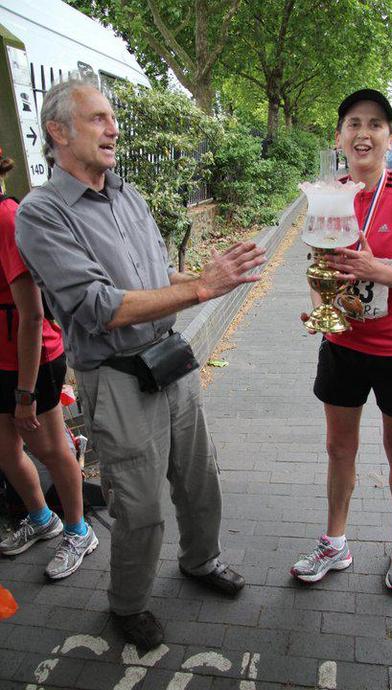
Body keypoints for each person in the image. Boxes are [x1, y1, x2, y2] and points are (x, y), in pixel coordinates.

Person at [15, 79, 266, 650]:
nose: (114, 129)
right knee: (141, 507)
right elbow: (98, 307)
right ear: (59, 132)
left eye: (113, 118)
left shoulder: (127, 195)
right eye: (99, 118)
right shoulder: (42, 214)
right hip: (120, 378)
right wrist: (201, 290)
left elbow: (157, 279)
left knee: (201, 483)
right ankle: (127, 604)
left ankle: (201, 562)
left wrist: (204, 276)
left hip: (172, 363)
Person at [290, 89, 392, 593]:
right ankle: (335, 543)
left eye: (375, 124)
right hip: (344, 348)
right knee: (339, 447)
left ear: (389, 136)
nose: (364, 132)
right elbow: (319, 267)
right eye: (354, 123)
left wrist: (379, 269)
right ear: (339, 137)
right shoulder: (327, 195)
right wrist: (321, 307)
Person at [0, 148, 97, 578]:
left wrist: (24, 393)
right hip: (3, 360)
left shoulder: (7, 219)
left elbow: (33, 315)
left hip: (33, 360)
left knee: (52, 449)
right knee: (5, 450)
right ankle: (42, 519)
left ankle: (79, 530)